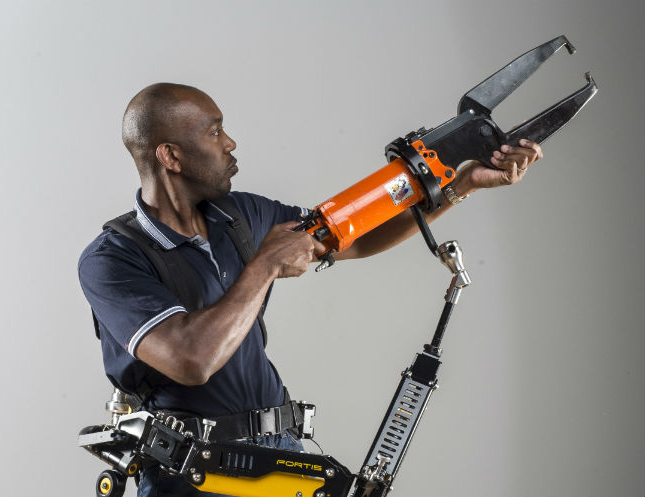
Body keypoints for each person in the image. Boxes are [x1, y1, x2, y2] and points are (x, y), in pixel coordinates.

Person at [78, 82, 543, 496]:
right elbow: (191, 359)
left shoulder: (240, 215)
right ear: (170, 156)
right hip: (194, 474)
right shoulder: (112, 260)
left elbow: (352, 236)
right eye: (215, 132)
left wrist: (462, 183)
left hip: (282, 459)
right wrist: (264, 265)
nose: (230, 143)